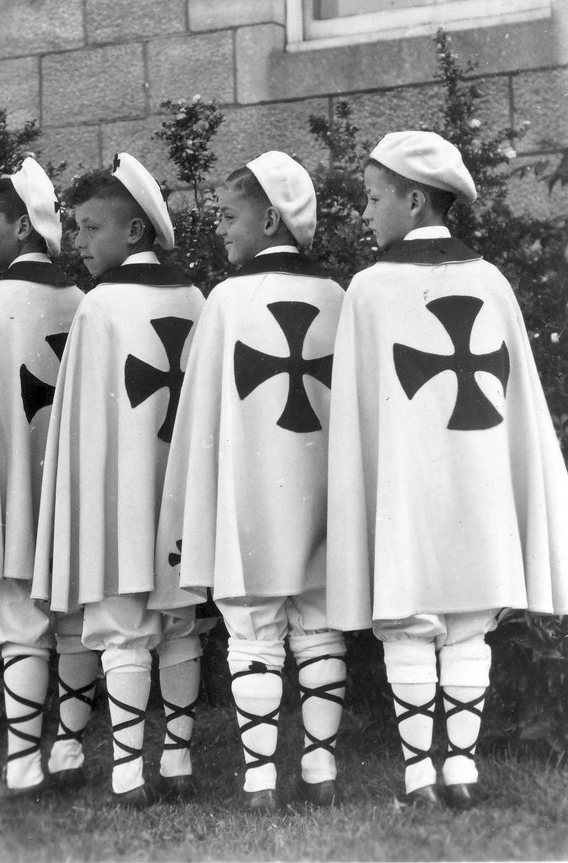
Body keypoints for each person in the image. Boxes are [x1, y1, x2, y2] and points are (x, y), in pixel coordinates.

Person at [327, 131, 568, 810]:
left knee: (408, 618)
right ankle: (459, 769)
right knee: (467, 621)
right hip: (475, 482)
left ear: (412, 198)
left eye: (373, 198)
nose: (364, 213)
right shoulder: (487, 280)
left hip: (405, 486)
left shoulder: (370, 289)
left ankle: (420, 776)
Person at [156, 152, 346, 810]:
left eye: (229, 215)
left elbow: (200, 418)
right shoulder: (335, 296)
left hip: (250, 499)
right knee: (319, 624)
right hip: (322, 492)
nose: (220, 229)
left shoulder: (228, 300)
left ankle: (260, 780)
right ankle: (319, 771)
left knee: (251, 628)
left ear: (269, 218)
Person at [33, 153, 205, 808]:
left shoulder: (100, 307)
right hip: (178, 490)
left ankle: (129, 771)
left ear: (133, 232)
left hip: (120, 497)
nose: (76, 243)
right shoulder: (192, 297)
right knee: (182, 620)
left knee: (120, 622)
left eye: (88, 227)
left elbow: (83, 430)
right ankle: (181, 758)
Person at [0, 157, 95, 799]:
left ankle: (25, 765)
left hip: (10, 488)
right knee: (75, 616)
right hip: (65, 489)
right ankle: (68, 750)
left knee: (12, 612)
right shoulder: (82, 299)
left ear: (24, 230)